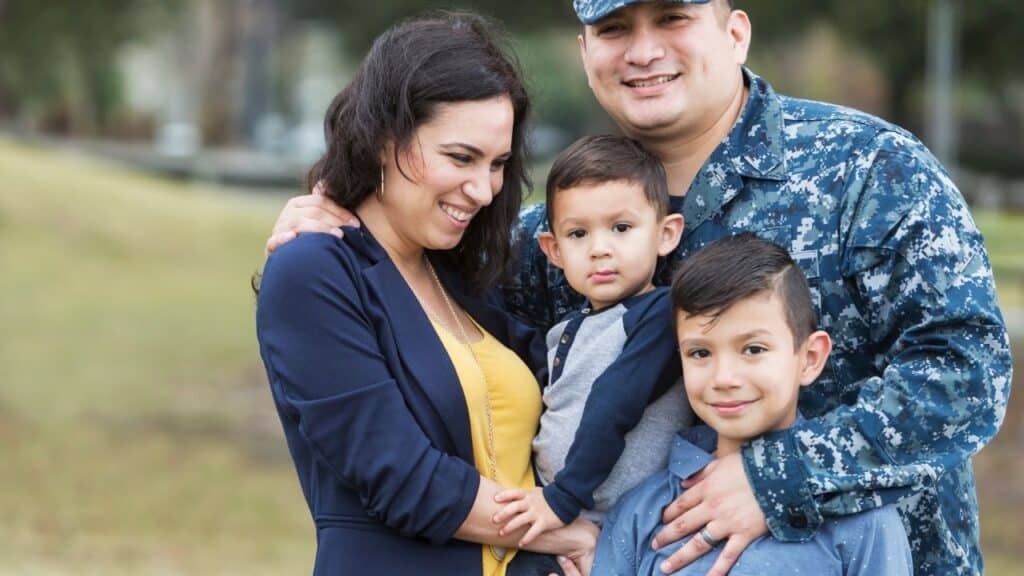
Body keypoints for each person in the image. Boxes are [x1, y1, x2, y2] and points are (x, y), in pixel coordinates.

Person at [264, 1, 1013, 574]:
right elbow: (398, 319)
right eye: (615, 25)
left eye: (674, 16)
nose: (645, 48)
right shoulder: (543, 241)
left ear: (735, 31)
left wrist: (779, 475)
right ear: (586, 50)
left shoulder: (869, 171)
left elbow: (968, 371)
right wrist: (333, 214)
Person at [255, 13, 597, 575]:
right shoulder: (312, 270)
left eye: (498, 164)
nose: (484, 189)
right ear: (384, 141)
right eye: (461, 158)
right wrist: (565, 532)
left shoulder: (470, 277)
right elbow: (401, 476)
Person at [591, 233, 913, 575]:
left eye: (753, 349)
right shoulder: (644, 510)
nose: (724, 377)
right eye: (700, 353)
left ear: (810, 357)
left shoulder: (862, 516)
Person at [490, 136, 690, 556]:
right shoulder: (568, 327)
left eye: (621, 228)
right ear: (554, 250)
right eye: (579, 233)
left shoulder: (659, 315)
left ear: (666, 234)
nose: (600, 249)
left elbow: (616, 401)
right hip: (560, 509)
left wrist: (562, 496)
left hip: (630, 526)